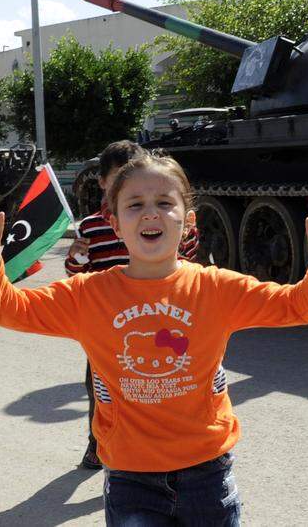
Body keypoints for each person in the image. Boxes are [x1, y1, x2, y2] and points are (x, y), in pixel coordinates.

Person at [0, 150, 308, 525]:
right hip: (131, 478)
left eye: (165, 202)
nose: (151, 213)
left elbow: (297, 306)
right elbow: (10, 308)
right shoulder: (87, 295)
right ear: (114, 224)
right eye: (135, 204)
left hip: (207, 473)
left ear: (189, 220)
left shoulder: (215, 288)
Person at [64, 140, 199, 470]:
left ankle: (162, 444)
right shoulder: (93, 226)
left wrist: (187, 236)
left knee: (159, 383)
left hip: (157, 317)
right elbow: (76, 274)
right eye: (119, 175)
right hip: (107, 325)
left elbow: (186, 263)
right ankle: (99, 443)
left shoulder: (163, 222)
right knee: (100, 389)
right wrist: (77, 255)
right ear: (103, 183)